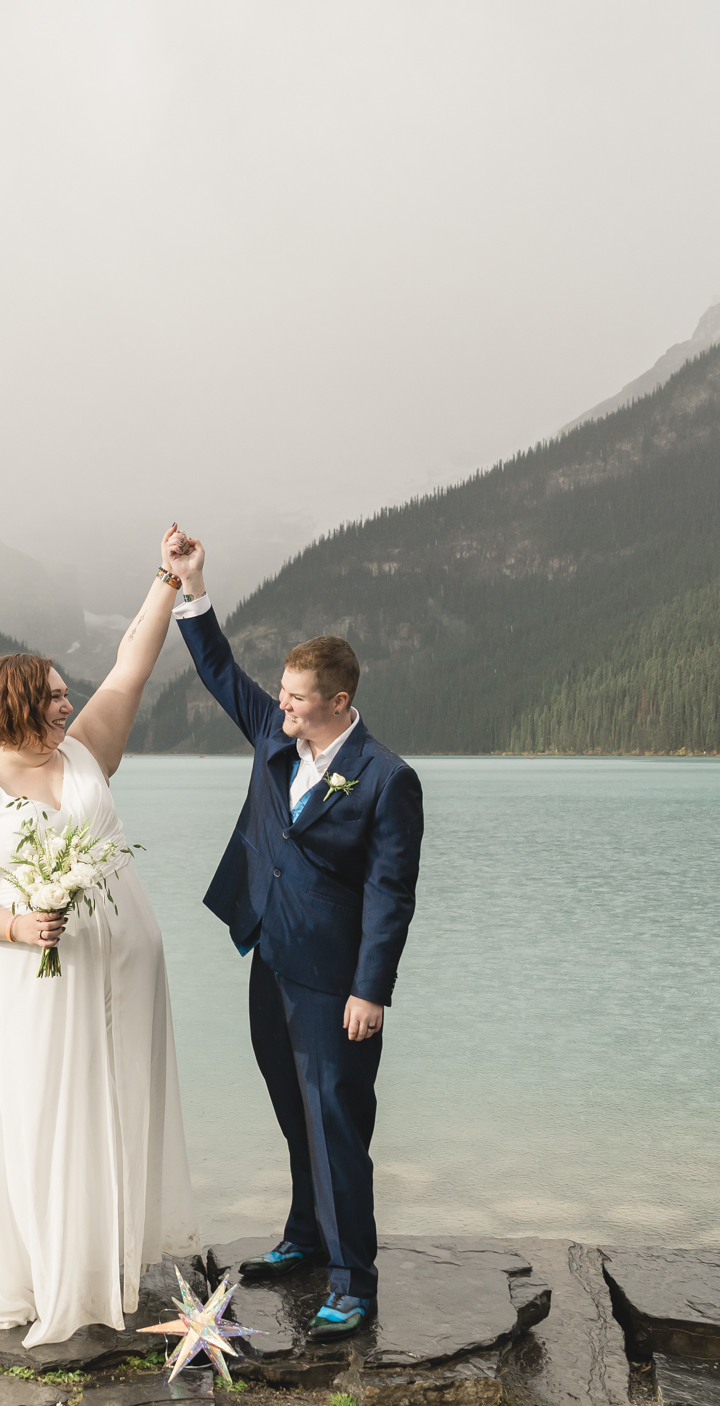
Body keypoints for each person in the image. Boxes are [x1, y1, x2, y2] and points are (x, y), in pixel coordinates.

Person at [163, 524, 423, 1339]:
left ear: (339, 702)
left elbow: (391, 891)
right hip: (268, 957)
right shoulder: (276, 737)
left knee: (337, 1118)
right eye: (281, 692)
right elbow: (217, 672)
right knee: (291, 1105)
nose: (280, 703)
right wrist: (191, 587)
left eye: (297, 696)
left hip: (334, 982)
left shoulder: (387, 779)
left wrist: (369, 990)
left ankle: (353, 1279)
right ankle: (306, 1237)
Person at [0, 568, 197, 1347]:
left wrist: (167, 582)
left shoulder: (85, 755)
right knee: (46, 1112)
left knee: (116, 1106)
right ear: (16, 702)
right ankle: (52, 1275)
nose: (66, 702)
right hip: (37, 984)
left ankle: (109, 1267)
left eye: (63, 691)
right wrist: (18, 926)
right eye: (51, 694)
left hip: (125, 975)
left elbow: (131, 664)